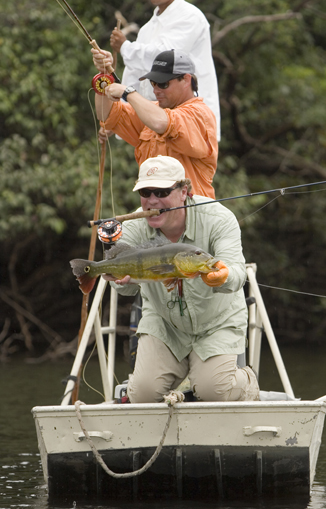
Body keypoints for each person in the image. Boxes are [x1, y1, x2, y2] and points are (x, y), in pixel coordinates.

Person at [104, 155, 259, 403]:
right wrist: (119, 280)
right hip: (164, 324)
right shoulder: (131, 228)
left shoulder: (219, 218)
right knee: (142, 395)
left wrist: (223, 276)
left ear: (183, 191)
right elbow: (123, 291)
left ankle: (247, 382)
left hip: (216, 323)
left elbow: (238, 273)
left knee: (213, 390)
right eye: (145, 192)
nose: (152, 200)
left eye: (162, 191)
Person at [110, 0, 221, 141]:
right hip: (156, 124)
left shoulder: (191, 17)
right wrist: (117, 122)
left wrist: (125, 47)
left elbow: (164, 60)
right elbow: (134, 73)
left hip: (192, 123)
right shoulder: (147, 28)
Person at [92, 47, 218, 198]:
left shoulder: (200, 114)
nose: (156, 90)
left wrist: (128, 92)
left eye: (163, 84)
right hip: (156, 214)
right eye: (153, 83)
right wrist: (105, 77)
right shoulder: (151, 112)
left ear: (186, 80)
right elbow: (106, 114)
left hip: (194, 216)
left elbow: (160, 122)